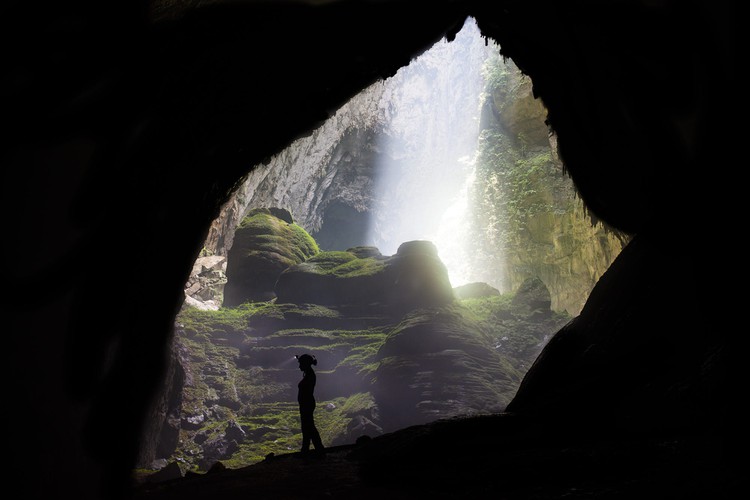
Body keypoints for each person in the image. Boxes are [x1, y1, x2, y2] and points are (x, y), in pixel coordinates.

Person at [296, 353, 325, 455]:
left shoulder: (310, 375)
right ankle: (308, 449)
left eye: (301, 364)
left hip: (306, 404)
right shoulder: (309, 374)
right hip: (306, 404)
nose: (299, 366)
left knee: (309, 427)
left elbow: (306, 392)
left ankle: (318, 449)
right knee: (307, 427)